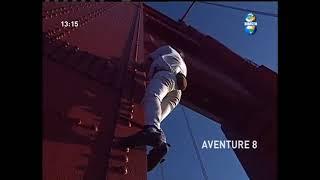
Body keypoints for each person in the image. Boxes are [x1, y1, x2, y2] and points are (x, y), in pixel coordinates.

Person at [117, 44, 187, 172]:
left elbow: (147, 62)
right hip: (177, 93)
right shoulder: (184, 66)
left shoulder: (168, 48)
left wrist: (133, 65)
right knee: (155, 117)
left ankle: (152, 132)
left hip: (166, 75)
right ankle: (161, 145)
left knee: (152, 97)